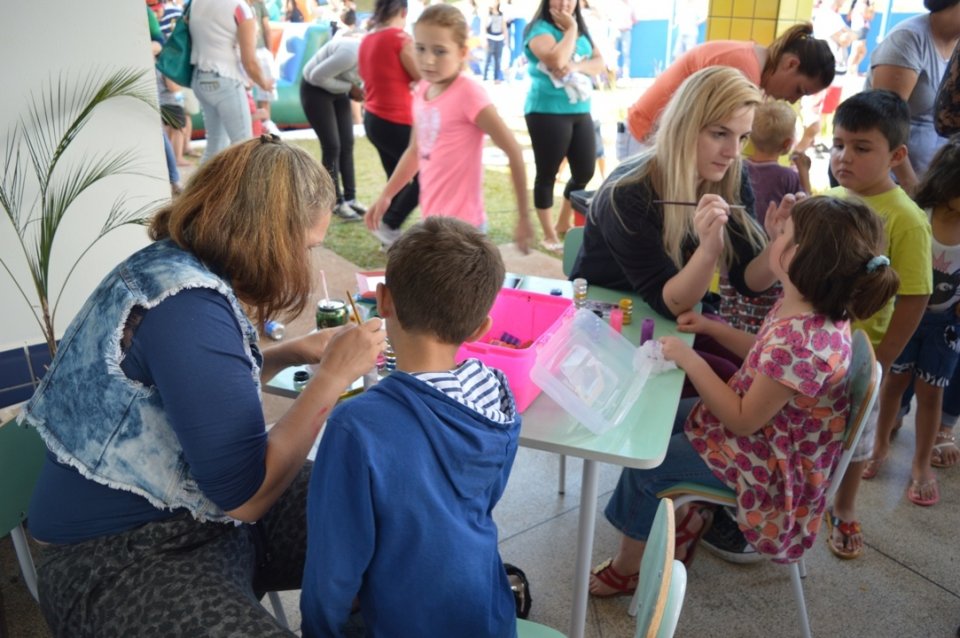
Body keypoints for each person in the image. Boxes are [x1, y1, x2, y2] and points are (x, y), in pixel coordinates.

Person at [20, 136, 385, 636]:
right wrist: (331, 378)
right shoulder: (186, 307)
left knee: (386, 509)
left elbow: (187, 396)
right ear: (270, 239)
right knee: (363, 518)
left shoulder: (171, 265)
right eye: (306, 248)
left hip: (200, 515)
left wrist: (287, 354)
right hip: (120, 556)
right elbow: (246, 495)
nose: (308, 263)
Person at [588, 196, 900, 597]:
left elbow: (740, 419)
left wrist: (689, 356)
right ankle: (688, 511)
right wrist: (715, 329)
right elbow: (766, 356)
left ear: (800, 258)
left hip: (772, 464)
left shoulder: (804, 341)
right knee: (658, 418)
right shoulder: (808, 307)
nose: (776, 235)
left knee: (647, 467)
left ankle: (628, 569)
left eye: (785, 233)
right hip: (768, 434)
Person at [300, 217, 520, 637]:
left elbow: (332, 573)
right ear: (480, 329)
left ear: (382, 301)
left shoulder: (356, 426)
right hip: (486, 610)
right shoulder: (498, 394)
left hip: (404, 621)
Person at [570, 67, 786, 379]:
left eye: (743, 137)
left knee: (746, 374)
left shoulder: (730, 174)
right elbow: (669, 303)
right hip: (610, 323)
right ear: (685, 126)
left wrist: (779, 244)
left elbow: (748, 281)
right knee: (728, 380)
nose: (733, 152)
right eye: (719, 133)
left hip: (677, 318)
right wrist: (709, 250)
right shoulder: (628, 193)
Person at [823, 90, 932, 558]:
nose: (844, 157)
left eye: (861, 147)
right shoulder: (824, 200)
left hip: (863, 360)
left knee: (855, 440)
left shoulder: (906, 218)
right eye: (838, 144)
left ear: (897, 154)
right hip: (814, 350)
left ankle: (844, 507)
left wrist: (883, 360)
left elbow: (916, 295)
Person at [365, 4, 534, 252]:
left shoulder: (470, 94)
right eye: (420, 49)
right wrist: (387, 195)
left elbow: (513, 151)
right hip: (432, 223)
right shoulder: (423, 88)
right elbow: (415, 151)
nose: (428, 60)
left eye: (440, 51)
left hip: (465, 231)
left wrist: (523, 217)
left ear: (462, 52)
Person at [866, 136, 960, 506]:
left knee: (931, 391)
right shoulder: (920, 216)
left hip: (946, 328)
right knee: (893, 383)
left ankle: (921, 464)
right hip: (907, 318)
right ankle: (878, 445)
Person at [622, 22, 835, 155]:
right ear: (791, 64)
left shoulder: (749, 61)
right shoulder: (742, 70)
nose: (792, 100)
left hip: (654, 138)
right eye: (799, 90)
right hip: (647, 139)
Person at [523, 0, 606, 252]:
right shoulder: (539, 30)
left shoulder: (583, 28)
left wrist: (577, 66)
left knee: (585, 170)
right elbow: (557, 60)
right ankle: (549, 235)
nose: (565, 3)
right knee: (546, 174)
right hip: (546, 111)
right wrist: (569, 30)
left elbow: (599, 62)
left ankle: (562, 222)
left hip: (580, 110)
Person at [864, 0, 960, 195]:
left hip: (932, 184)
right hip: (888, 183)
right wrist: (913, 189)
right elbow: (883, 121)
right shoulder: (908, 39)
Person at [359, 0, 422, 248]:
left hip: (373, 118)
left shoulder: (367, 39)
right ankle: (389, 225)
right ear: (404, 13)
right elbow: (425, 75)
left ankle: (388, 230)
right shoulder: (399, 39)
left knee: (396, 177)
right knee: (423, 176)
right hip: (396, 120)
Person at [190, 0, 275, 163]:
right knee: (244, 148)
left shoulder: (197, 3)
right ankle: (244, 189)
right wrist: (264, 83)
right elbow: (249, 61)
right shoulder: (241, 8)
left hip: (200, 77)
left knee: (215, 148)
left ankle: (202, 188)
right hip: (226, 79)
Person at [300, 24, 367, 221]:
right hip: (314, 89)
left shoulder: (376, 61)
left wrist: (355, 90)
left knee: (347, 143)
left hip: (338, 91)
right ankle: (335, 202)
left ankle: (351, 198)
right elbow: (315, 76)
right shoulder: (350, 53)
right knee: (332, 146)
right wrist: (350, 88)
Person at [484, 0, 507, 81]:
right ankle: (485, 77)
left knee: (498, 60)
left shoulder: (501, 14)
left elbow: (504, 27)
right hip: (490, 38)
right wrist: (485, 39)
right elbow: (484, 27)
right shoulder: (487, 13)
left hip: (499, 38)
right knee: (488, 59)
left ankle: (496, 78)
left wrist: (506, 39)